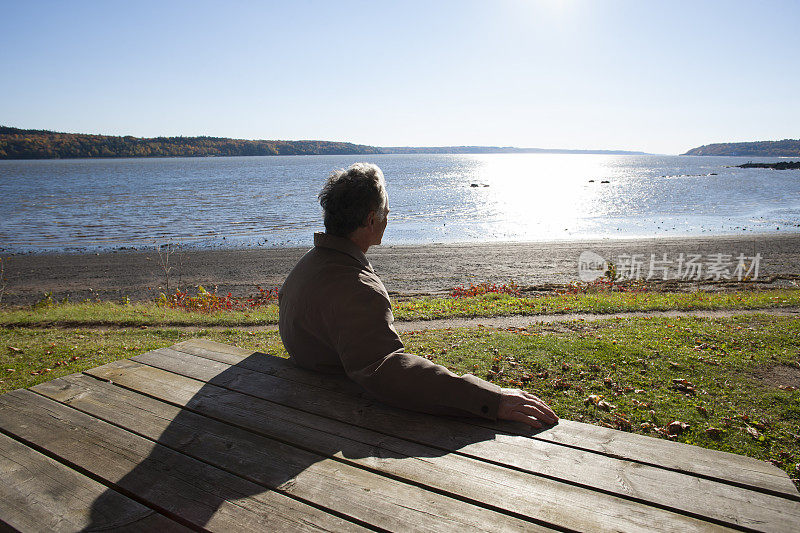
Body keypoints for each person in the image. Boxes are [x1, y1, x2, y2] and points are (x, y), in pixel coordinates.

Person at [278, 163, 557, 428]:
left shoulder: (308, 264)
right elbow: (388, 372)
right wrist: (490, 400)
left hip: (309, 398)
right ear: (371, 219)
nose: (388, 217)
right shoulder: (359, 289)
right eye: (386, 211)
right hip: (336, 417)